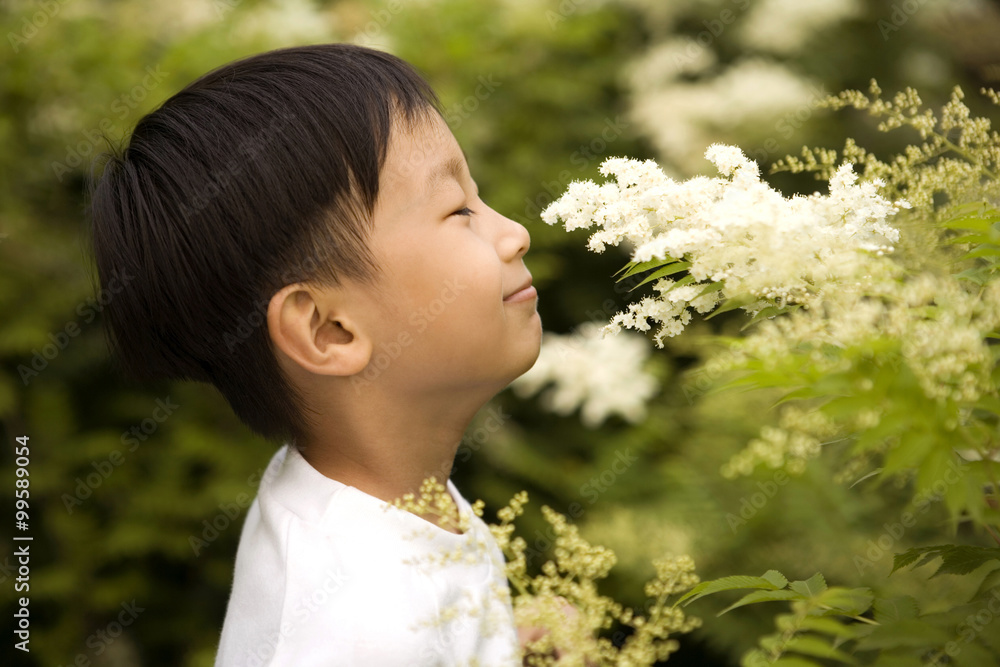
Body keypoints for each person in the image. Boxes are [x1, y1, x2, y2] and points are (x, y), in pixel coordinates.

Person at [88, 43, 542, 665]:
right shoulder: (362, 629)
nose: (514, 233)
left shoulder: (377, 505)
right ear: (329, 330)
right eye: (458, 209)